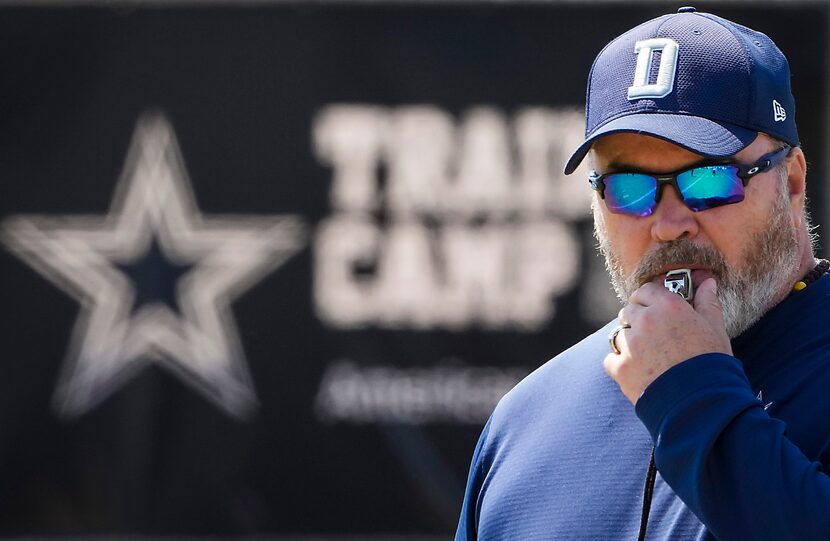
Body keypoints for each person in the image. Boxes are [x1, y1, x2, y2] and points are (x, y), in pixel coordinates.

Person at [455, 7, 830, 541]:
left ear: (791, 182)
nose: (668, 225)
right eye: (629, 189)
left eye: (708, 180)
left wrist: (691, 392)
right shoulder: (526, 420)